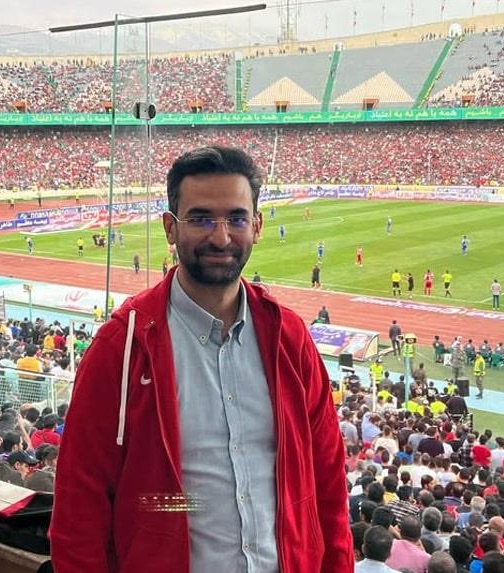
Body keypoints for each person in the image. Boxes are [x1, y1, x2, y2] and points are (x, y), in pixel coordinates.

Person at [50, 145, 353, 572]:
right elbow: (79, 507)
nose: (221, 237)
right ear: (170, 228)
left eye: (236, 218)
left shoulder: (289, 338)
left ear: (257, 226)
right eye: (201, 218)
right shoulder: (122, 346)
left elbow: (328, 483)